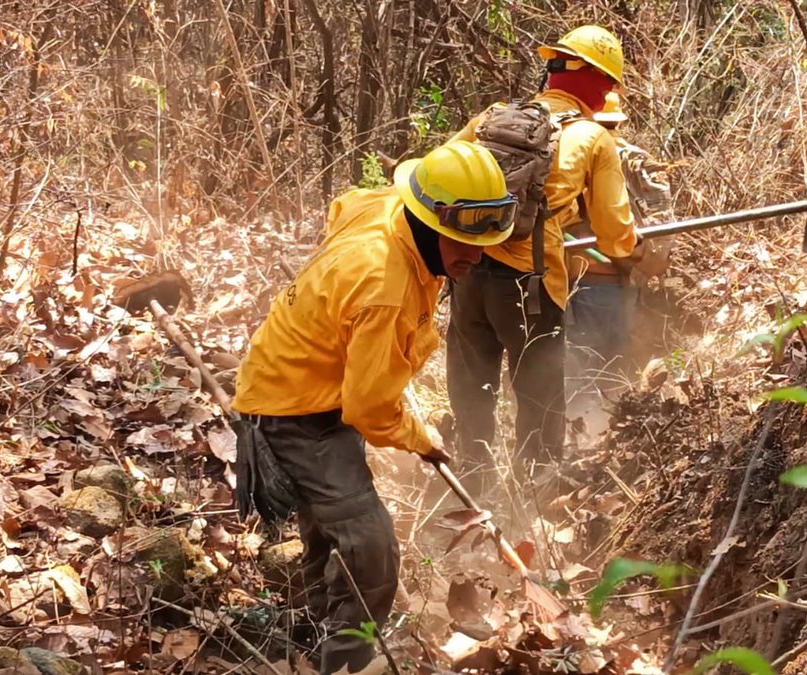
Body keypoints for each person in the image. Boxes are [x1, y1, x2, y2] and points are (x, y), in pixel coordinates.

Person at [230, 141, 515, 675]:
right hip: (296, 410)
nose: (476, 256)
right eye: (463, 242)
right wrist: (419, 438)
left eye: (484, 242)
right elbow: (368, 408)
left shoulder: (386, 208)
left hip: (310, 385)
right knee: (371, 547)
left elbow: (345, 204)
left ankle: (317, 631)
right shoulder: (385, 287)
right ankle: (349, 662)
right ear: (431, 223)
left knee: (326, 524)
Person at [445, 25, 641, 480]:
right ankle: (534, 502)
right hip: (531, 288)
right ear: (597, 81)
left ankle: (471, 488)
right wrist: (633, 248)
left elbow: (438, 174)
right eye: (610, 83)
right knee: (539, 402)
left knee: (471, 391)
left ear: (552, 70)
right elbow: (616, 238)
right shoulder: (593, 137)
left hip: (467, 275)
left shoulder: (493, 116)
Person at [565, 92, 674, 436]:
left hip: (581, 282)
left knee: (580, 371)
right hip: (623, 284)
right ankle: (611, 441)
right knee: (614, 365)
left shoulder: (573, 156)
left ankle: (583, 444)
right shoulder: (636, 159)